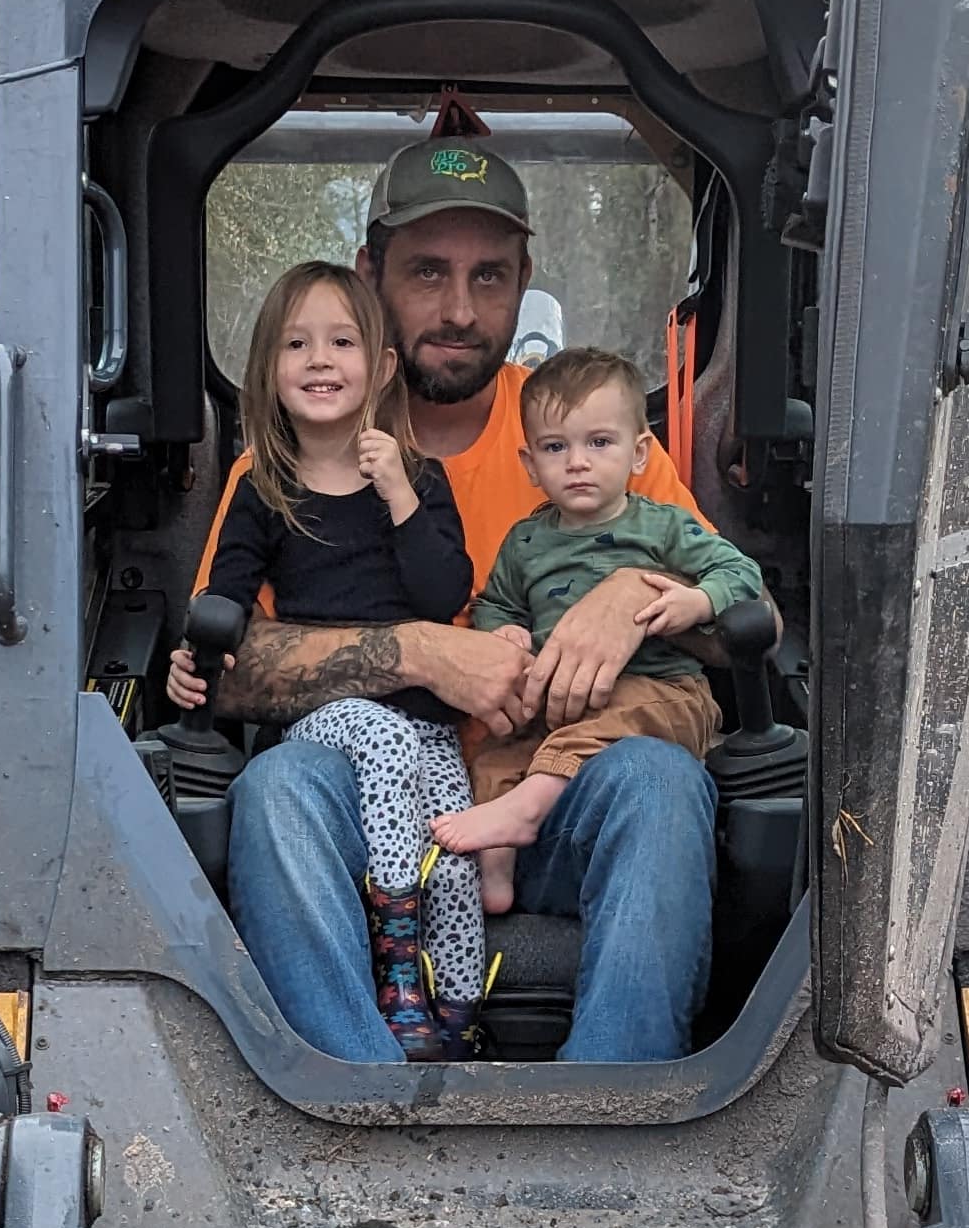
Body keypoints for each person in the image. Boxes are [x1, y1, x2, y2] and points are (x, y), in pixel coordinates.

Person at [172, 98, 723, 1064]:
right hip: (366, 809)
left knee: (659, 779)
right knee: (278, 787)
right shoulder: (287, 464)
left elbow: (738, 625)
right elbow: (227, 669)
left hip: (548, 805)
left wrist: (630, 595)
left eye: (489, 276)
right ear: (371, 275)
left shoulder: (584, 435)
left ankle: (610, 1113)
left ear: (524, 284)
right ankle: (363, 1105)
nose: (461, 310)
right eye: (428, 272)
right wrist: (423, 652)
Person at [197, 260, 485, 1055]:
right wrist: (197, 659)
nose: (319, 359)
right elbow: (226, 599)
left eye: (341, 342)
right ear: (268, 368)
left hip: (425, 728)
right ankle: (397, 972)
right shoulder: (263, 488)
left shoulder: (420, 480)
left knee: (456, 856)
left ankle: (456, 1019)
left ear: (382, 367)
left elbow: (442, 595)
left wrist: (398, 493)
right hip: (325, 721)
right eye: (297, 344)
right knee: (378, 733)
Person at [436, 346, 769, 915]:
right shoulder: (525, 541)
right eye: (555, 448)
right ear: (530, 464)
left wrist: (696, 600)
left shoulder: (662, 526)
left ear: (638, 453)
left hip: (660, 692)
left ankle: (529, 808)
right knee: (495, 755)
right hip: (558, 705)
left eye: (598, 443)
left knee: (615, 716)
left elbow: (741, 574)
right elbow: (497, 603)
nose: (577, 463)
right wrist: (505, 632)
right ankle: (496, 871)